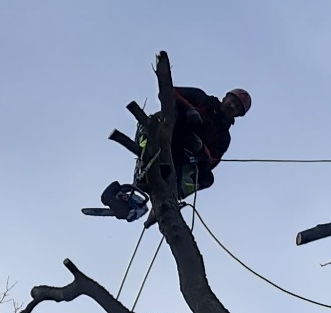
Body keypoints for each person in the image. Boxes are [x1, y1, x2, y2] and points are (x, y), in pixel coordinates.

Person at [85, 85, 251, 220]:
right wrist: (189, 108)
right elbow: (168, 91)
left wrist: (201, 149)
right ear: (226, 97)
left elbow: (213, 161)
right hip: (158, 133)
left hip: (182, 156)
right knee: (176, 130)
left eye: (237, 107)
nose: (232, 106)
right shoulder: (201, 98)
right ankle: (140, 182)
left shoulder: (223, 136)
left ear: (239, 115)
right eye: (233, 101)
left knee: (207, 178)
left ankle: (169, 193)